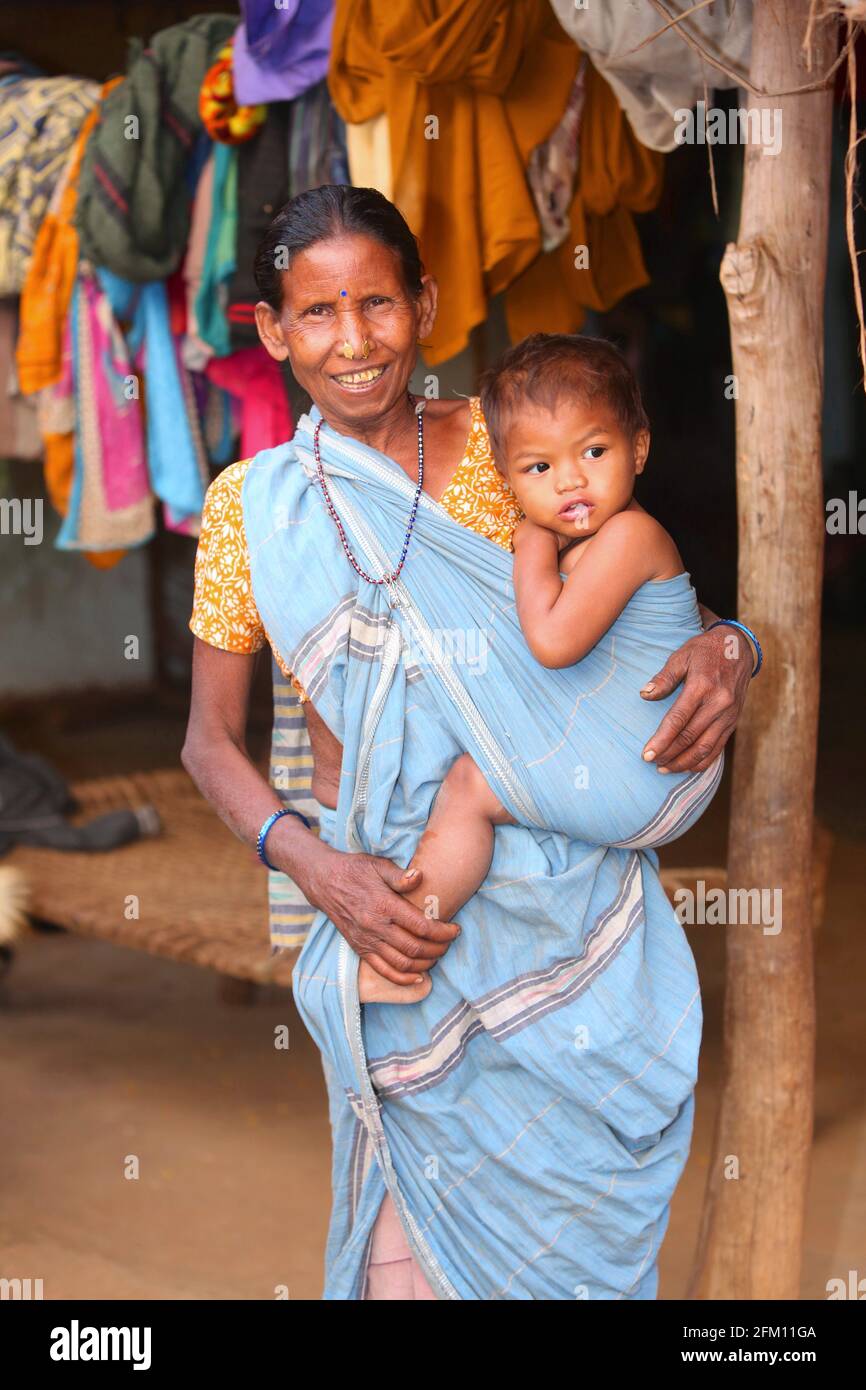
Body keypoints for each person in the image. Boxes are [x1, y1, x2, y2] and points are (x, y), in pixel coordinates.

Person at [182, 185, 760, 1300]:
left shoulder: (521, 457)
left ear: (426, 306)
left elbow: (654, 604)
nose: (352, 341)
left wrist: (730, 646)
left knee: (566, 1254)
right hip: (402, 914)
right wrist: (319, 870)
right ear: (270, 331)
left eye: (378, 304)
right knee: (411, 1265)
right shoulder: (251, 508)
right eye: (315, 313)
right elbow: (209, 743)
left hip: (565, 905)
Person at [356, 332, 724, 1007]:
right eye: (538, 469)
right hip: (632, 752)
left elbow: (551, 643)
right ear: (504, 476)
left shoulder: (629, 536)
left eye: (594, 452)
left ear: (638, 448)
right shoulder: (595, 536)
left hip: (650, 771)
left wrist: (531, 540)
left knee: (468, 787)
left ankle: (401, 947)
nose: (571, 482)